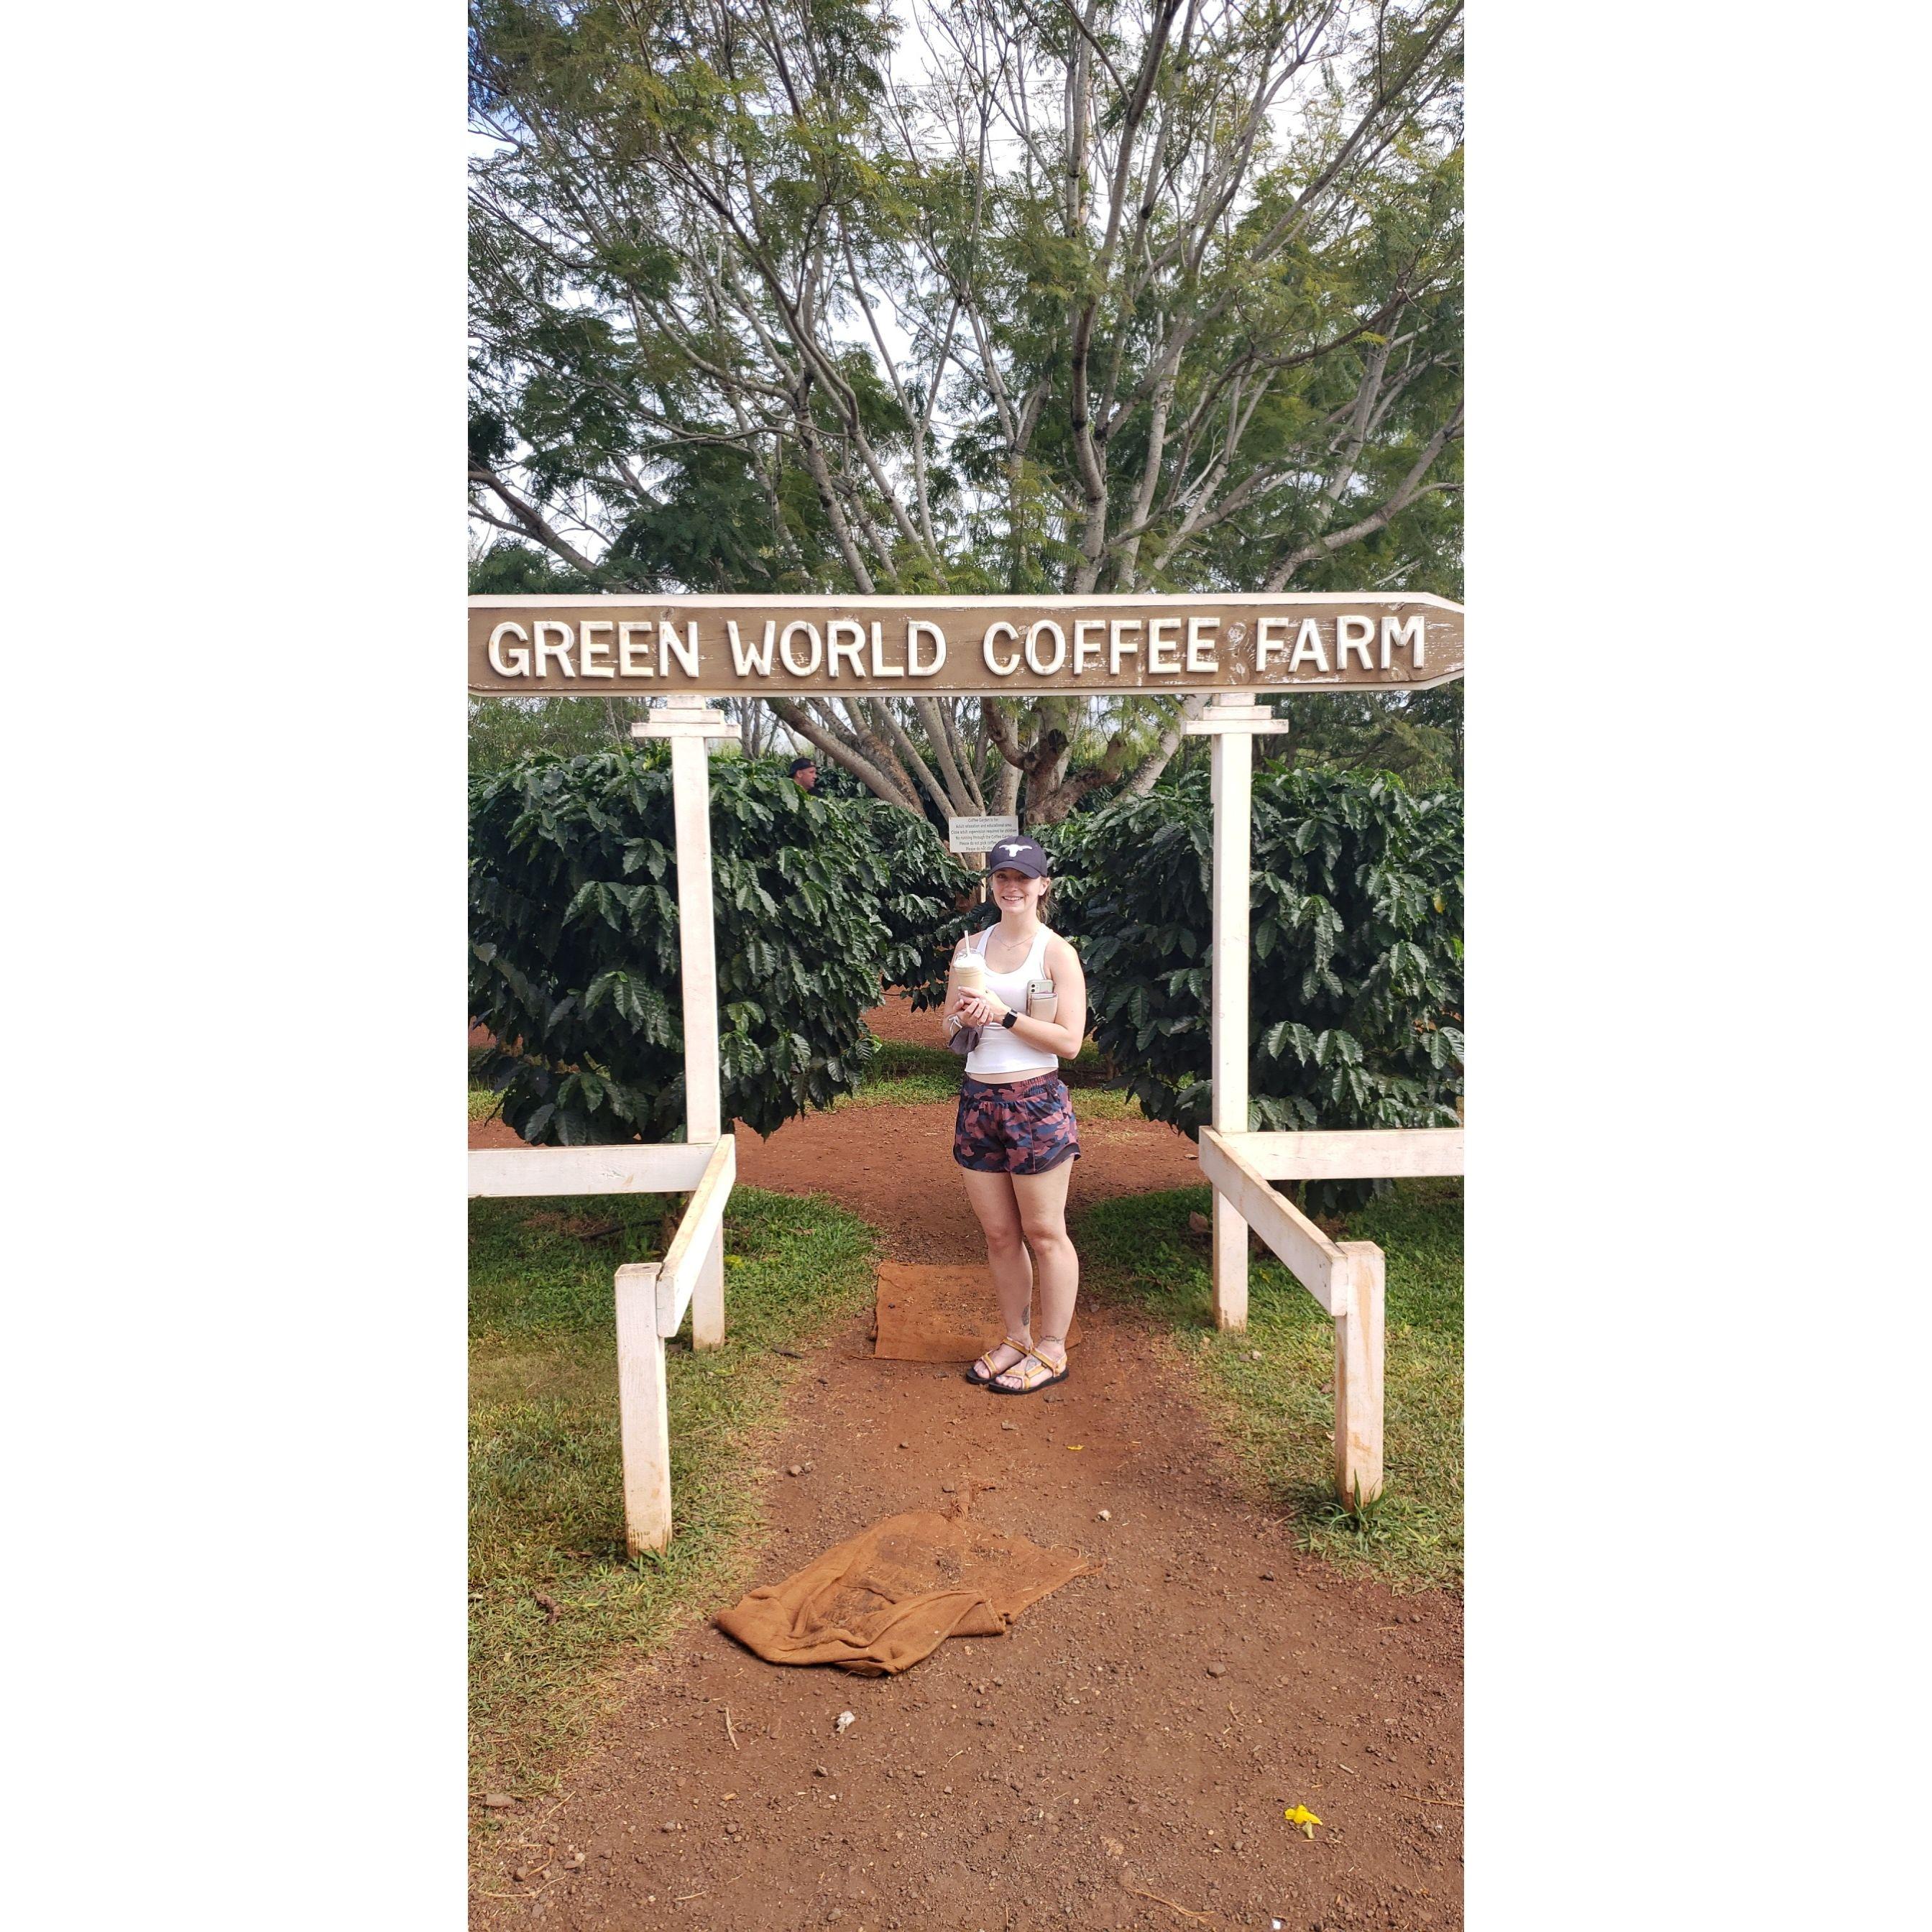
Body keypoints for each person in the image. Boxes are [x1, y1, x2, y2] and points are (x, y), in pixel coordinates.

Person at [942, 835, 1089, 1396]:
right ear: (993, 883)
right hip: (979, 1100)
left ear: (1042, 885)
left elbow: (1070, 1042)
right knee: (1000, 1233)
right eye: (1003, 876)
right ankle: (1017, 1338)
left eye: (1023, 878)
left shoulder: (1056, 952)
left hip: (1036, 1102)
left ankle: (1053, 1349)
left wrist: (1003, 1015)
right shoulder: (971, 947)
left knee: (1045, 1232)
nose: (1011, 886)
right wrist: (963, 1019)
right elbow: (949, 1032)